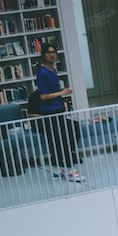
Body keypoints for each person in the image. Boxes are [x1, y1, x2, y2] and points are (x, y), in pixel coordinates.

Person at [33, 44, 83, 183]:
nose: (52, 55)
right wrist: (62, 93)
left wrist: (62, 96)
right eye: (49, 53)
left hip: (58, 109)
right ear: (43, 55)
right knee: (62, 139)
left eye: (54, 52)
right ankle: (68, 168)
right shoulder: (42, 73)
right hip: (50, 113)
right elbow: (43, 96)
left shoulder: (53, 70)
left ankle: (64, 164)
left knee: (73, 129)